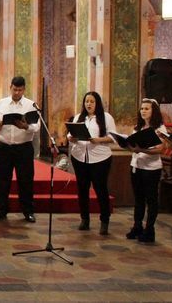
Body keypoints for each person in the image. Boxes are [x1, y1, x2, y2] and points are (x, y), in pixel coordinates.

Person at [0, 76, 40, 223]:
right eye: (14, 89)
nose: (17, 92)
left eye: (20, 90)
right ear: (10, 87)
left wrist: (26, 126)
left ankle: (28, 211)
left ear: (24, 89)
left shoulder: (31, 105)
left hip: (23, 147)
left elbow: (36, 126)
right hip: (4, 146)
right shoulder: (1, 103)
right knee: (3, 179)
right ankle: (1, 209)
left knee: (25, 180)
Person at [68, 91, 116, 235]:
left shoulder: (106, 117)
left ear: (97, 103)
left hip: (100, 159)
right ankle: (84, 219)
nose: (89, 104)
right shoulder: (79, 117)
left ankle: (104, 221)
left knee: (100, 189)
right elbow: (70, 133)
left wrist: (99, 140)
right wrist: (71, 137)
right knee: (82, 189)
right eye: (87, 101)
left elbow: (113, 137)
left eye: (92, 101)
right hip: (80, 157)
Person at [125, 98, 166, 243]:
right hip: (136, 166)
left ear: (153, 111)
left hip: (151, 168)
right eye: (142, 108)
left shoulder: (159, 128)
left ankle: (149, 230)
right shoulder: (137, 127)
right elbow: (132, 146)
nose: (143, 111)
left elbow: (160, 149)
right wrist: (127, 145)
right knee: (139, 199)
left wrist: (141, 149)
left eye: (147, 109)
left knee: (151, 199)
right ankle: (137, 226)